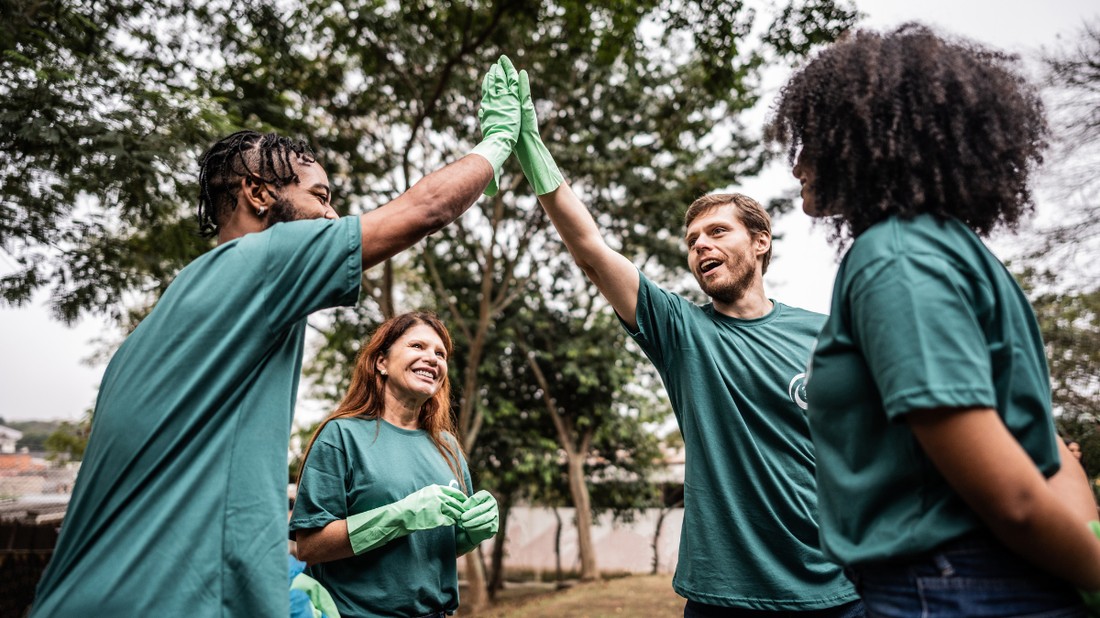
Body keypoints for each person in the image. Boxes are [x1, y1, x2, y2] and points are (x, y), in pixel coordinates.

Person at [29, 57, 520, 617]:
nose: (332, 215)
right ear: (259, 194)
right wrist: (499, 142)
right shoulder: (262, 260)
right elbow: (426, 210)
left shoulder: (177, 311)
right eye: (321, 196)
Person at [768, 23, 1100, 616]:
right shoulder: (952, 252)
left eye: (811, 138)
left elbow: (1015, 498)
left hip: (949, 589)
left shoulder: (895, 259)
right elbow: (1044, 447)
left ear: (864, 138)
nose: (797, 165)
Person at [509, 67, 863, 616]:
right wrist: (532, 150)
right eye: (692, 240)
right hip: (723, 596)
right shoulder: (682, 331)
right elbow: (592, 251)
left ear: (760, 242)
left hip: (834, 590)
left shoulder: (825, 331)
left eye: (717, 232)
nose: (700, 245)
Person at [289, 311, 498, 618]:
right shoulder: (341, 436)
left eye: (440, 354)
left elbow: (435, 547)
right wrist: (400, 516)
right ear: (381, 362)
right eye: (417, 346)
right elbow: (310, 547)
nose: (432, 358)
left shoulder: (448, 448)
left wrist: (470, 535)